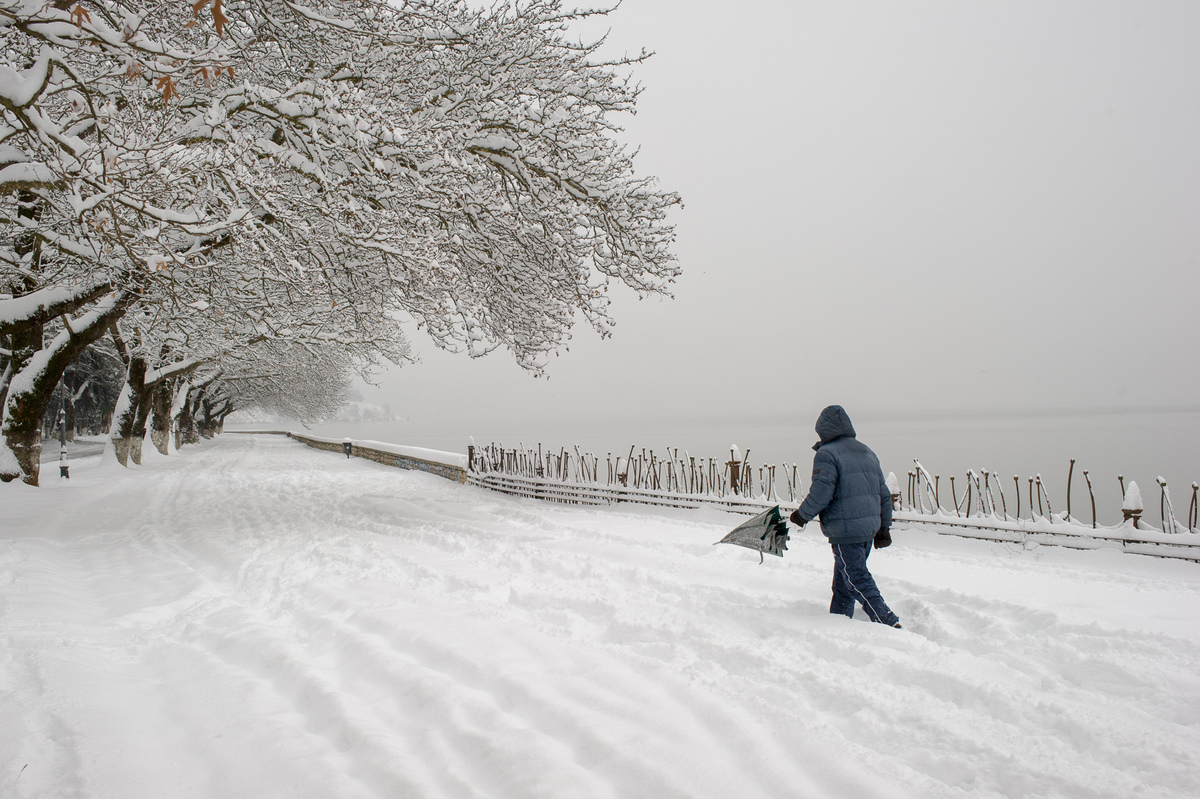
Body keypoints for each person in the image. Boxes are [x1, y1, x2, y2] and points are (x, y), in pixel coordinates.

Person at [789, 405, 900, 628]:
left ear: (823, 430)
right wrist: (884, 528)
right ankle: (838, 624)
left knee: (855, 579)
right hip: (869, 529)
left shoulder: (827, 454)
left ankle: (888, 621)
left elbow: (821, 493)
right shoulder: (867, 452)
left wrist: (802, 515)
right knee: (843, 583)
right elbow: (883, 494)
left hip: (846, 531)